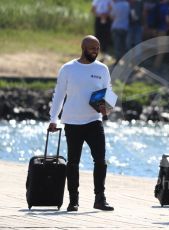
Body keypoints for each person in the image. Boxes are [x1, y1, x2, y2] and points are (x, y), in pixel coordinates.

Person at [48, 35, 114, 212]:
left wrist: (106, 107)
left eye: (98, 48)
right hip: (72, 122)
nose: (96, 51)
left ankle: (100, 198)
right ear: (83, 48)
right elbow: (59, 95)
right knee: (73, 162)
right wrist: (53, 119)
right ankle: (73, 200)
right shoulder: (68, 68)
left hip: (94, 121)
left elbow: (109, 92)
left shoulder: (102, 69)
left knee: (100, 160)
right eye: (92, 48)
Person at [152, 0, 169, 70]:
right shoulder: (165, 7)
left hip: (156, 29)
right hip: (162, 30)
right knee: (162, 49)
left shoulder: (157, 5)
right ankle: (156, 67)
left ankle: (156, 65)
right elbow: (167, 19)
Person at [110, 0, 130, 64]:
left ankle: (117, 59)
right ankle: (125, 60)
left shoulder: (115, 5)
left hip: (116, 26)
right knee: (124, 44)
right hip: (125, 27)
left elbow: (112, 16)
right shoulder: (127, 4)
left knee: (117, 44)